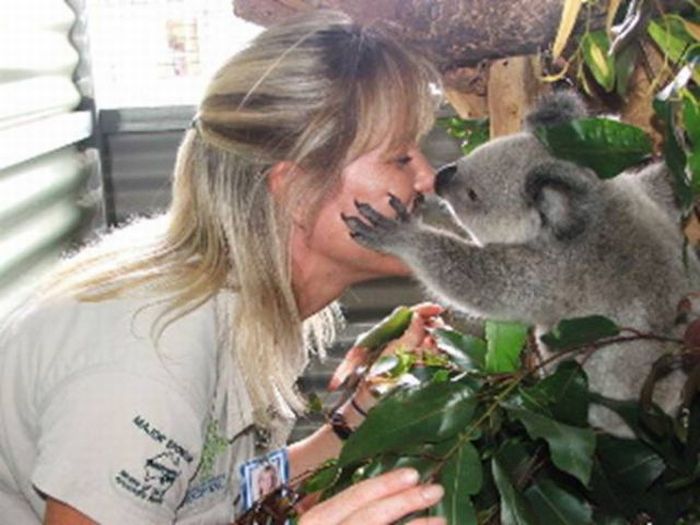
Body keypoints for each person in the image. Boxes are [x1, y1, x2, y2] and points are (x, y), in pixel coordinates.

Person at [0, 9, 448, 525]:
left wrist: (362, 410)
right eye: (399, 158)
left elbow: (219, 492)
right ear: (298, 189)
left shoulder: (239, 303)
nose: (429, 179)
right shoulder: (149, 357)